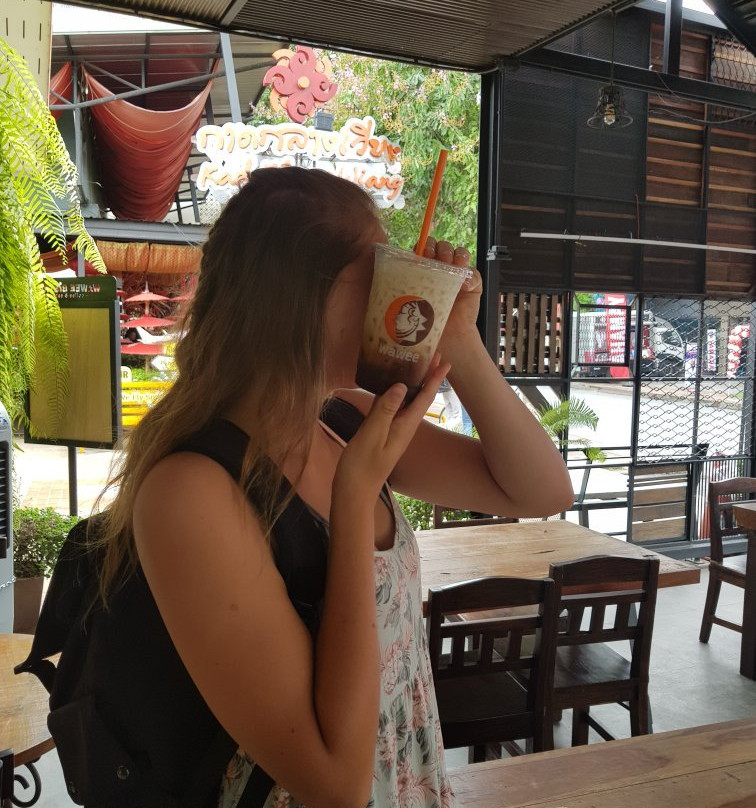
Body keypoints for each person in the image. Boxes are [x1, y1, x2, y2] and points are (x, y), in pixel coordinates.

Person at [97, 166, 573, 808]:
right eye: (379, 274)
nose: (399, 292)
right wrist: (353, 504)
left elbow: (540, 491)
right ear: (295, 296)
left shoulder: (341, 416)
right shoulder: (191, 492)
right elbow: (337, 784)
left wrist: (458, 337)